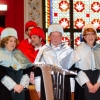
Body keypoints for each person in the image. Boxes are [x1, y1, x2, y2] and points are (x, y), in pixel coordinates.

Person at [34, 23, 80, 100]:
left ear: (61, 37)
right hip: (47, 83)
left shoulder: (68, 51)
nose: (55, 39)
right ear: (49, 37)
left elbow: (71, 70)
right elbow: (38, 70)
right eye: (53, 36)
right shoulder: (43, 50)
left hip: (64, 84)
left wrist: (72, 88)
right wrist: (38, 88)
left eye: (58, 36)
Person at [0, 27, 42, 100]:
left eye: (14, 41)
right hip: (5, 91)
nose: (13, 43)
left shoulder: (18, 53)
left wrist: (22, 85)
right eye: (10, 41)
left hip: (21, 90)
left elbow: (27, 69)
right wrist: (14, 86)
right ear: (4, 41)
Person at [74, 24, 100, 100]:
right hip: (84, 84)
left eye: (92, 34)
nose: (90, 36)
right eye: (87, 34)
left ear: (95, 36)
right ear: (84, 37)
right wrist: (88, 84)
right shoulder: (78, 50)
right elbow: (76, 70)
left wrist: (98, 84)